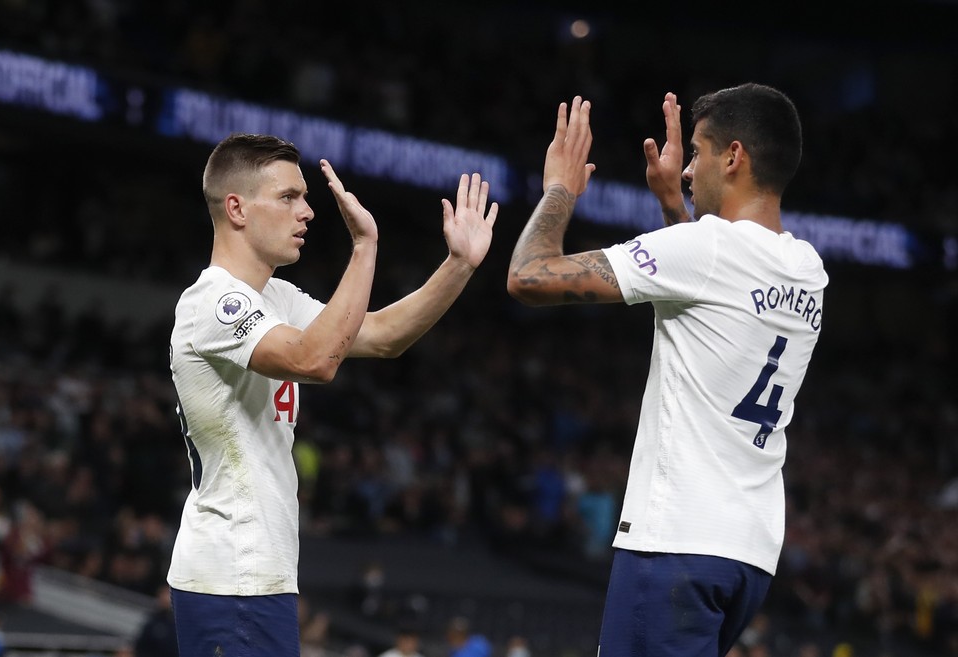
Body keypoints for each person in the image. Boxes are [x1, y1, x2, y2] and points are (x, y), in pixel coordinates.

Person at [507, 85, 827, 656]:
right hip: (746, 554)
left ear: (734, 157)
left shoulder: (704, 251)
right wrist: (673, 212)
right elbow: (711, 292)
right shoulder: (808, 270)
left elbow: (530, 277)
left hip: (676, 543)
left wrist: (558, 187)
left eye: (699, 154)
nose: (686, 172)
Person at [168, 133, 498, 657]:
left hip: (259, 575)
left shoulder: (273, 297)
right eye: (288, 197)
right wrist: (364, 248)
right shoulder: (212, 303)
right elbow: (314, 361)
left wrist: (458, 264)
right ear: (236, 208)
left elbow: (383, 335)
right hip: (232, 573)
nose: (307, 212)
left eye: (304, 197)